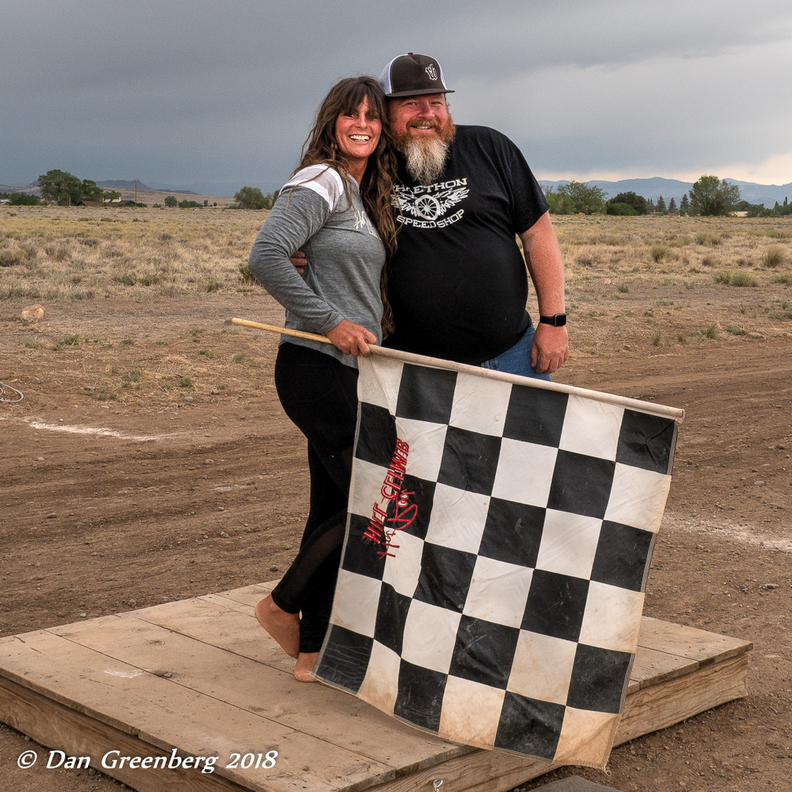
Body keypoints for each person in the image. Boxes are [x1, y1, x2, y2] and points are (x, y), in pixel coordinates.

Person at [247, 76, 397, 682]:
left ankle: (311, 652)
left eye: (373, 117)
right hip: (315, 366)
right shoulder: (322, 179)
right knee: (377, 496)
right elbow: (265, 256)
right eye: (350, 114)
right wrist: (331, 322)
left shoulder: (363, 193)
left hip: (353, 371)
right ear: (332, 121)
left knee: (332, 506)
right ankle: (280, 604)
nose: (362, 124)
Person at [292, 53, 568, 378]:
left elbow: (538, 234)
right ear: (385, 110)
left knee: (530, 431)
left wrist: (553, 321)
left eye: (436, 102)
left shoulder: (490, 147)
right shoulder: (365, 167)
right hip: (413, 367)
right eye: (411, 104)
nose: (427, 114)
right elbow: (313, 227)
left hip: (512, 354)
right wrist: (304, 251)